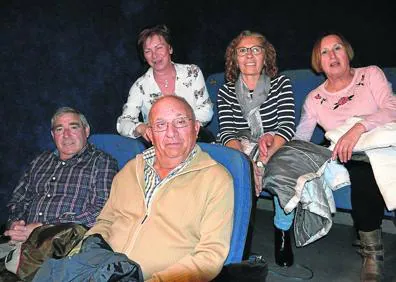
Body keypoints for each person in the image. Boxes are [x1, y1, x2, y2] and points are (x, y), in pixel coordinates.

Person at [85, 96, 234, 281]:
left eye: (180, 122)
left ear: (196, 128)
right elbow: (105, 222)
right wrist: (88, 255)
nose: (171, 133)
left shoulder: (216, 179)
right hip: (101, 272)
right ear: (150, 134)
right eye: (161, 124)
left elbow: (210, 256)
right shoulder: (130, 170)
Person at [295, 32, 396, 281]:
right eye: (325, 52)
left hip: (383, 141)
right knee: (363, 171)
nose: (332, 55)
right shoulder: (315, 99)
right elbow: (302, 137)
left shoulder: (370, 74)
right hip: (350, 155)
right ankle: (372, 252)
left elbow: (392, 107)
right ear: (318, 62)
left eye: (337, 48)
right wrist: (281, 149)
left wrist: (358, 128)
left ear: (347, 52)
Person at [216, 30, 296, 267]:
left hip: (276, 143)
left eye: (256, 49)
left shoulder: (281, 83)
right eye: (242, 50)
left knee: (285, 173)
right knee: (232, 174)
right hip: (241, 145)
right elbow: (228, 132)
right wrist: (247, 163)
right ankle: (240, 239)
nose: (249, 55)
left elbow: (287, 125)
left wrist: (262, 161)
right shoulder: (225, 91)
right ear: (235, 58)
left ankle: (282, 233)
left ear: (265, 56)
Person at [3, 107, 118, 243]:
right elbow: (18, 200)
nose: (66, 135)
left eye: (73, 127)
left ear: (86, 131)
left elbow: (101, 210)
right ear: (53, 135)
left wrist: (43, 228)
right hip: (22, 240)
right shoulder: (40, 161)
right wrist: (16, 224)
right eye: (59, 129)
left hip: (65, 244)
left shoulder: (102, 162)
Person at [116, 24, 215, 143]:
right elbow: (123, 123)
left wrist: (178, 125)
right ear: (144, 57)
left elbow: (207, 110)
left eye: (159, 47)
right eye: (148, 51)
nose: (154, 55)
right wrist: (142, 128)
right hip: (162, 145)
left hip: (195, 139)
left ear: (170, 48)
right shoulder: (140, 86)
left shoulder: (192, 72)